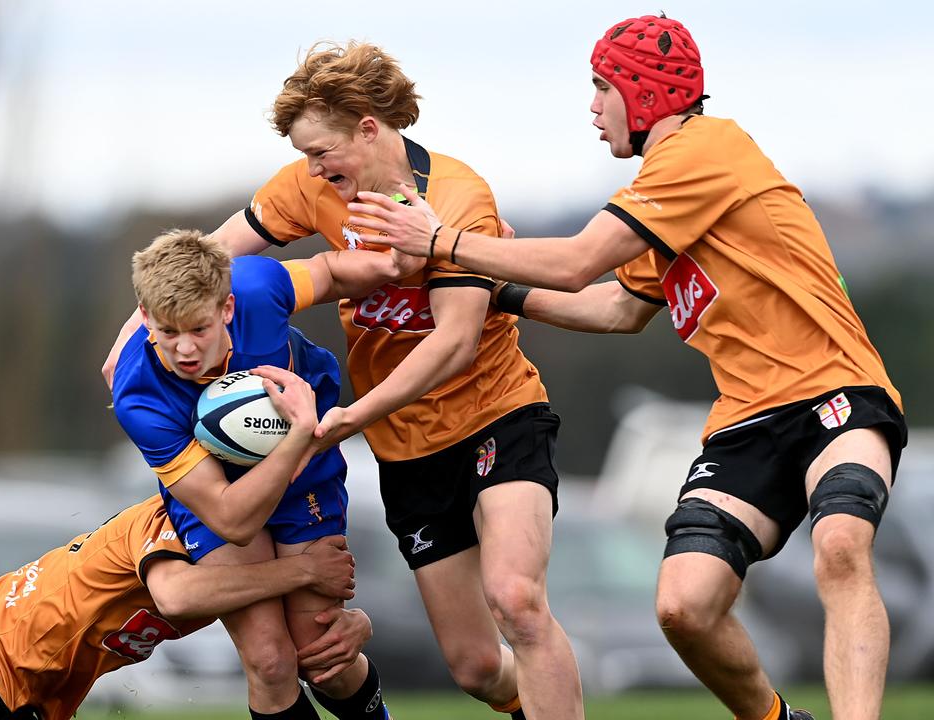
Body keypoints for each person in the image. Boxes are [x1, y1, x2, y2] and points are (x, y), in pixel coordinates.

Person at [349, 15, 905, 720]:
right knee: (683, 608)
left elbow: (579, 259)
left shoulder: (704, 150)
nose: (592, 107)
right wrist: (498, 289)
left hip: (837, 391)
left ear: (644, 92)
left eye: (601, 87)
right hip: (747, 418)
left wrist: (442, 243)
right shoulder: (666, 193)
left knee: (841, 544)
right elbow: (613, 307)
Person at [107, 43, 585, 720]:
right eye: (302, 155)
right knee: (476, 666)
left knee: (518, 600)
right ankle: (527, 704)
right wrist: (135, 326)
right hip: (407, 446)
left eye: (319, 151)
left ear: (368, 126)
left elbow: (452, 342)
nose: (310, 169)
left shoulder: (456, 198)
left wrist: (354, 416)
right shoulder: (312, 187)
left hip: (494, 414)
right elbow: (207, 259)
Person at [111, 229, 419, 720]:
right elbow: (233, 520)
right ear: (144, 319)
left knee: (325, 658)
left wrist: (395, 266)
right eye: (168, 333)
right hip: (223, 490)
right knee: (271, 661)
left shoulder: (256, 288)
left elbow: (328, 270)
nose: (184, 350)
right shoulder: (140, 396)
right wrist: (298, 431)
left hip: (308, 475)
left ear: (227, 308)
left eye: (198, 328)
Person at [0, 495, 367, 720]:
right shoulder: (186, 513)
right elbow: (177, 594)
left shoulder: (250, 552)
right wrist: (302, 572)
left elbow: (289, 639)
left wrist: (356, 624)